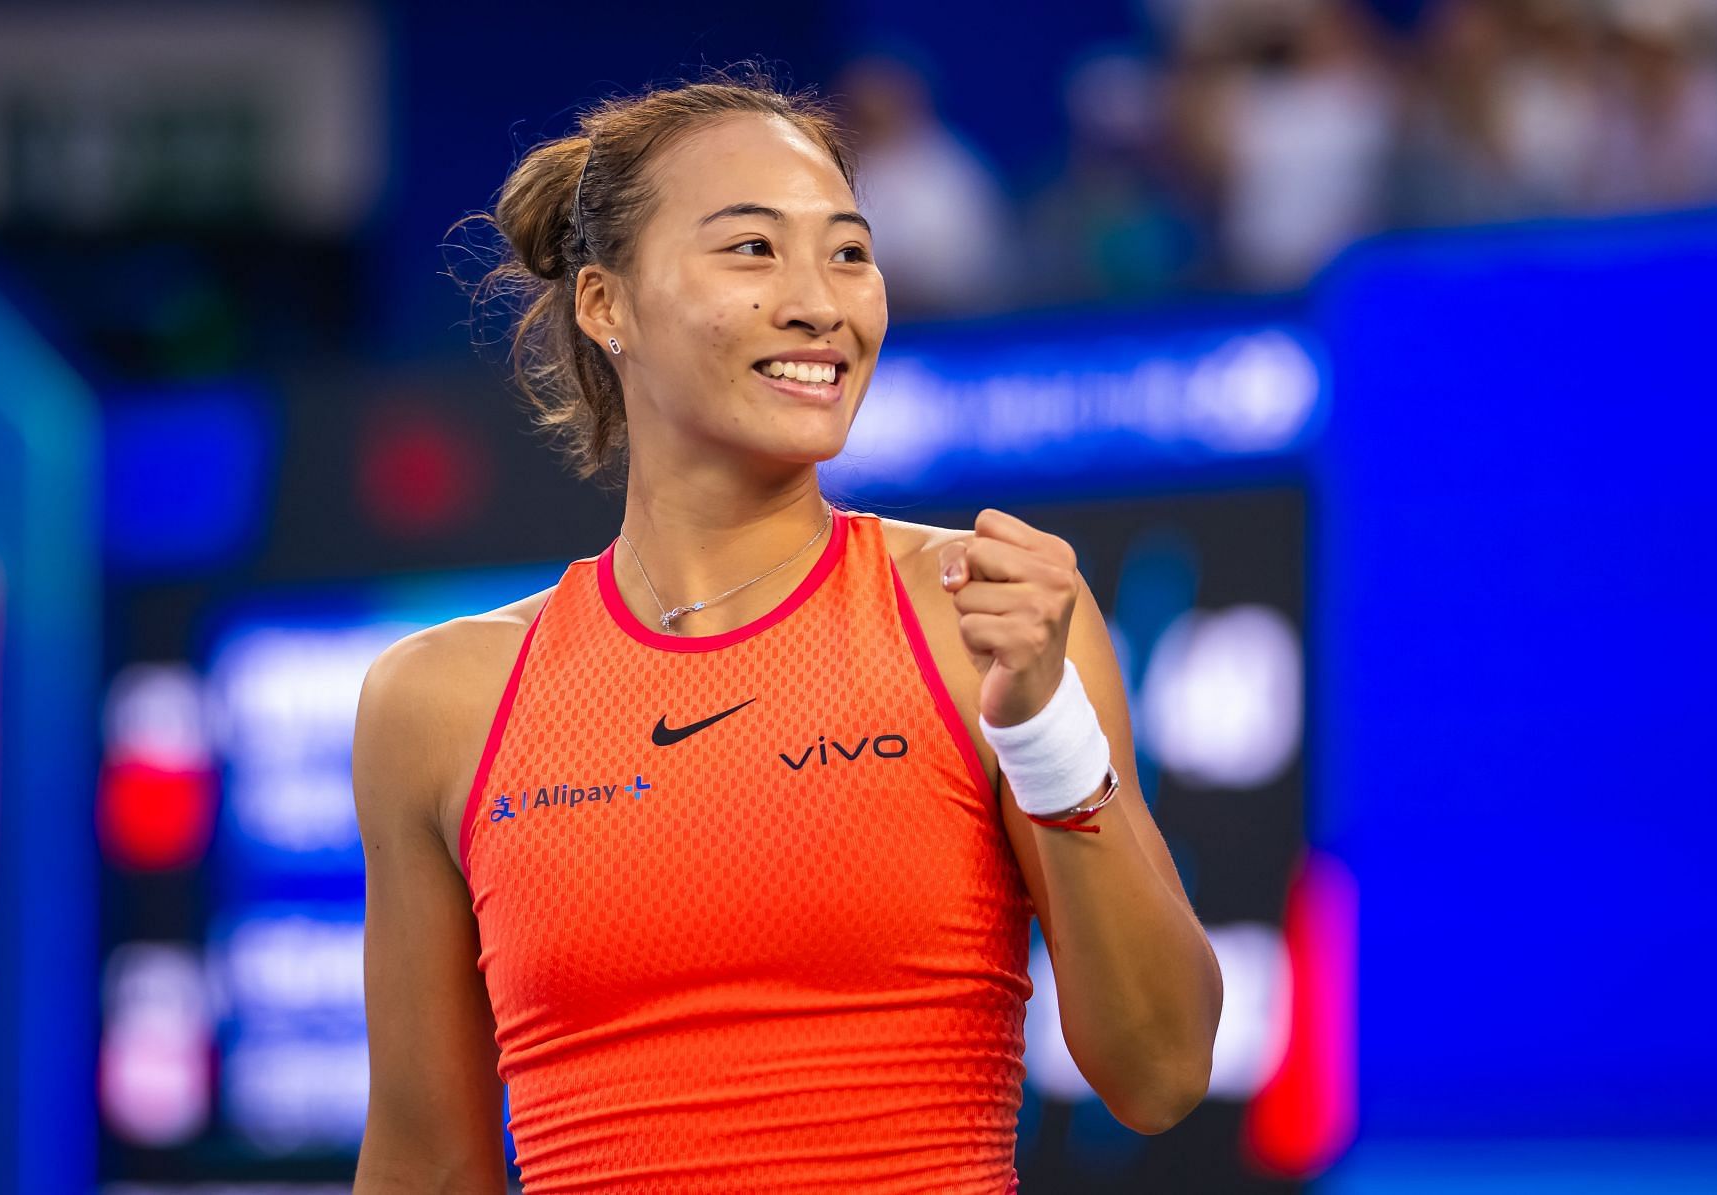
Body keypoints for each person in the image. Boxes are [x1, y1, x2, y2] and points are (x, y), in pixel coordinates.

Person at [351, 65, 1221, 1193]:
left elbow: (1160, 1071)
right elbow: (423, 1164)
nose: (822, 300)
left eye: (850, 252)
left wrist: (1048, 730)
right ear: (605, 303)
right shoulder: (436, 702)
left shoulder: (982, 616)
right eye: (753, 249)